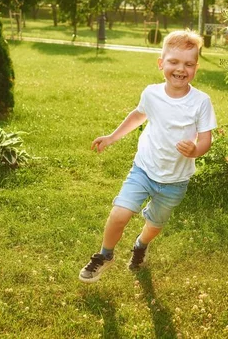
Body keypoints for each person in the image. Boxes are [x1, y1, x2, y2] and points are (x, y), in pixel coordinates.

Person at [79, 30, 217, 283]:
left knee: (154, 224)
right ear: (161, 63)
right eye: (174, 61)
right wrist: (111, 137)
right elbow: (138, 116)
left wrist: (196, 150)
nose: (180, 69)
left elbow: (206, 138)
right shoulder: (152, 94)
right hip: (143, 169)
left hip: (175, 180)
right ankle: (105, 255)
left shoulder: (201, 102)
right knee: (119, 214)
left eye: (188, 64)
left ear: (196, 67)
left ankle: (141, 245)